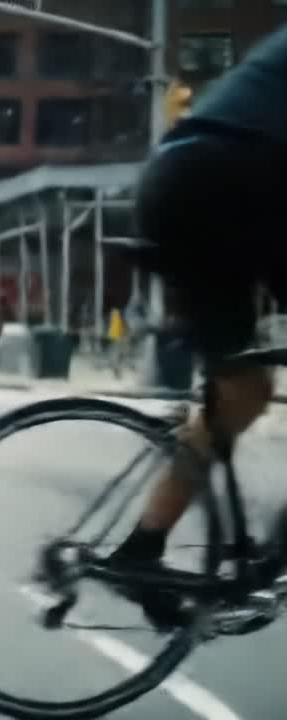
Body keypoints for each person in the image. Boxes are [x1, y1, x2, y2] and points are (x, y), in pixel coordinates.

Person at [109, 25, 287, 628]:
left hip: (186, 182)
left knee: (242, 390)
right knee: (238, 387)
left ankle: (141, 551)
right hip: (229, 185)